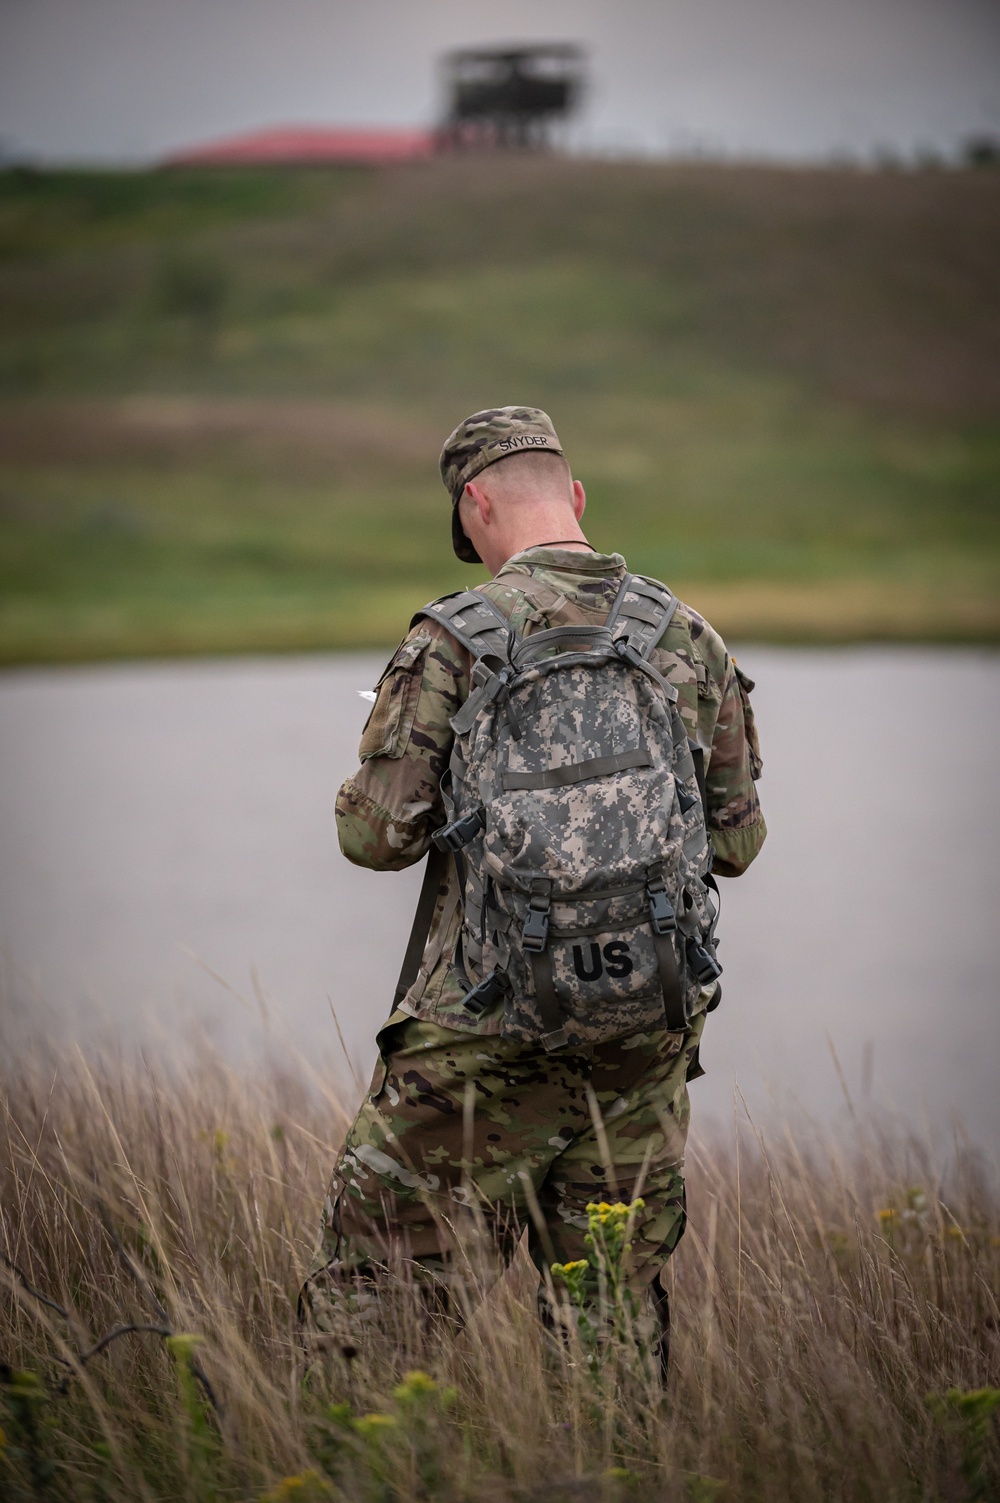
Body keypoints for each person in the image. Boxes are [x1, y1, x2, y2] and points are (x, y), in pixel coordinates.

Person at [301, 406, 765, 1364]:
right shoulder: (687, 634)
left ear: (474, 507)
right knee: (609, 1317)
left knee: (375, 1311)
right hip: (641, 1033)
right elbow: (738, 844)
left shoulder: (455, 637)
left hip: (482, 1037)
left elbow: (376, 838)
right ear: (576, 495)